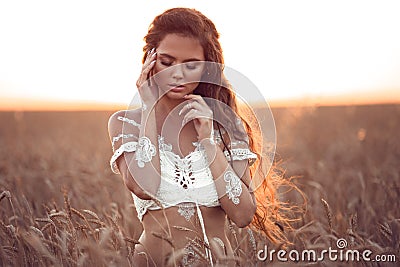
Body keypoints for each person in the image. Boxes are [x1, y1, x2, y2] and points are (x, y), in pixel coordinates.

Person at [108, 7, 293, 266]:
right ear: (150, 59)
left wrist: (208, 139)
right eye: (167, 62)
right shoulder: (126, 122)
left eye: (191, 65)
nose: (177, 74)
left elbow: (242, 215)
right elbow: (144, 186)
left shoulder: (227, 127)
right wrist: (149, 106)